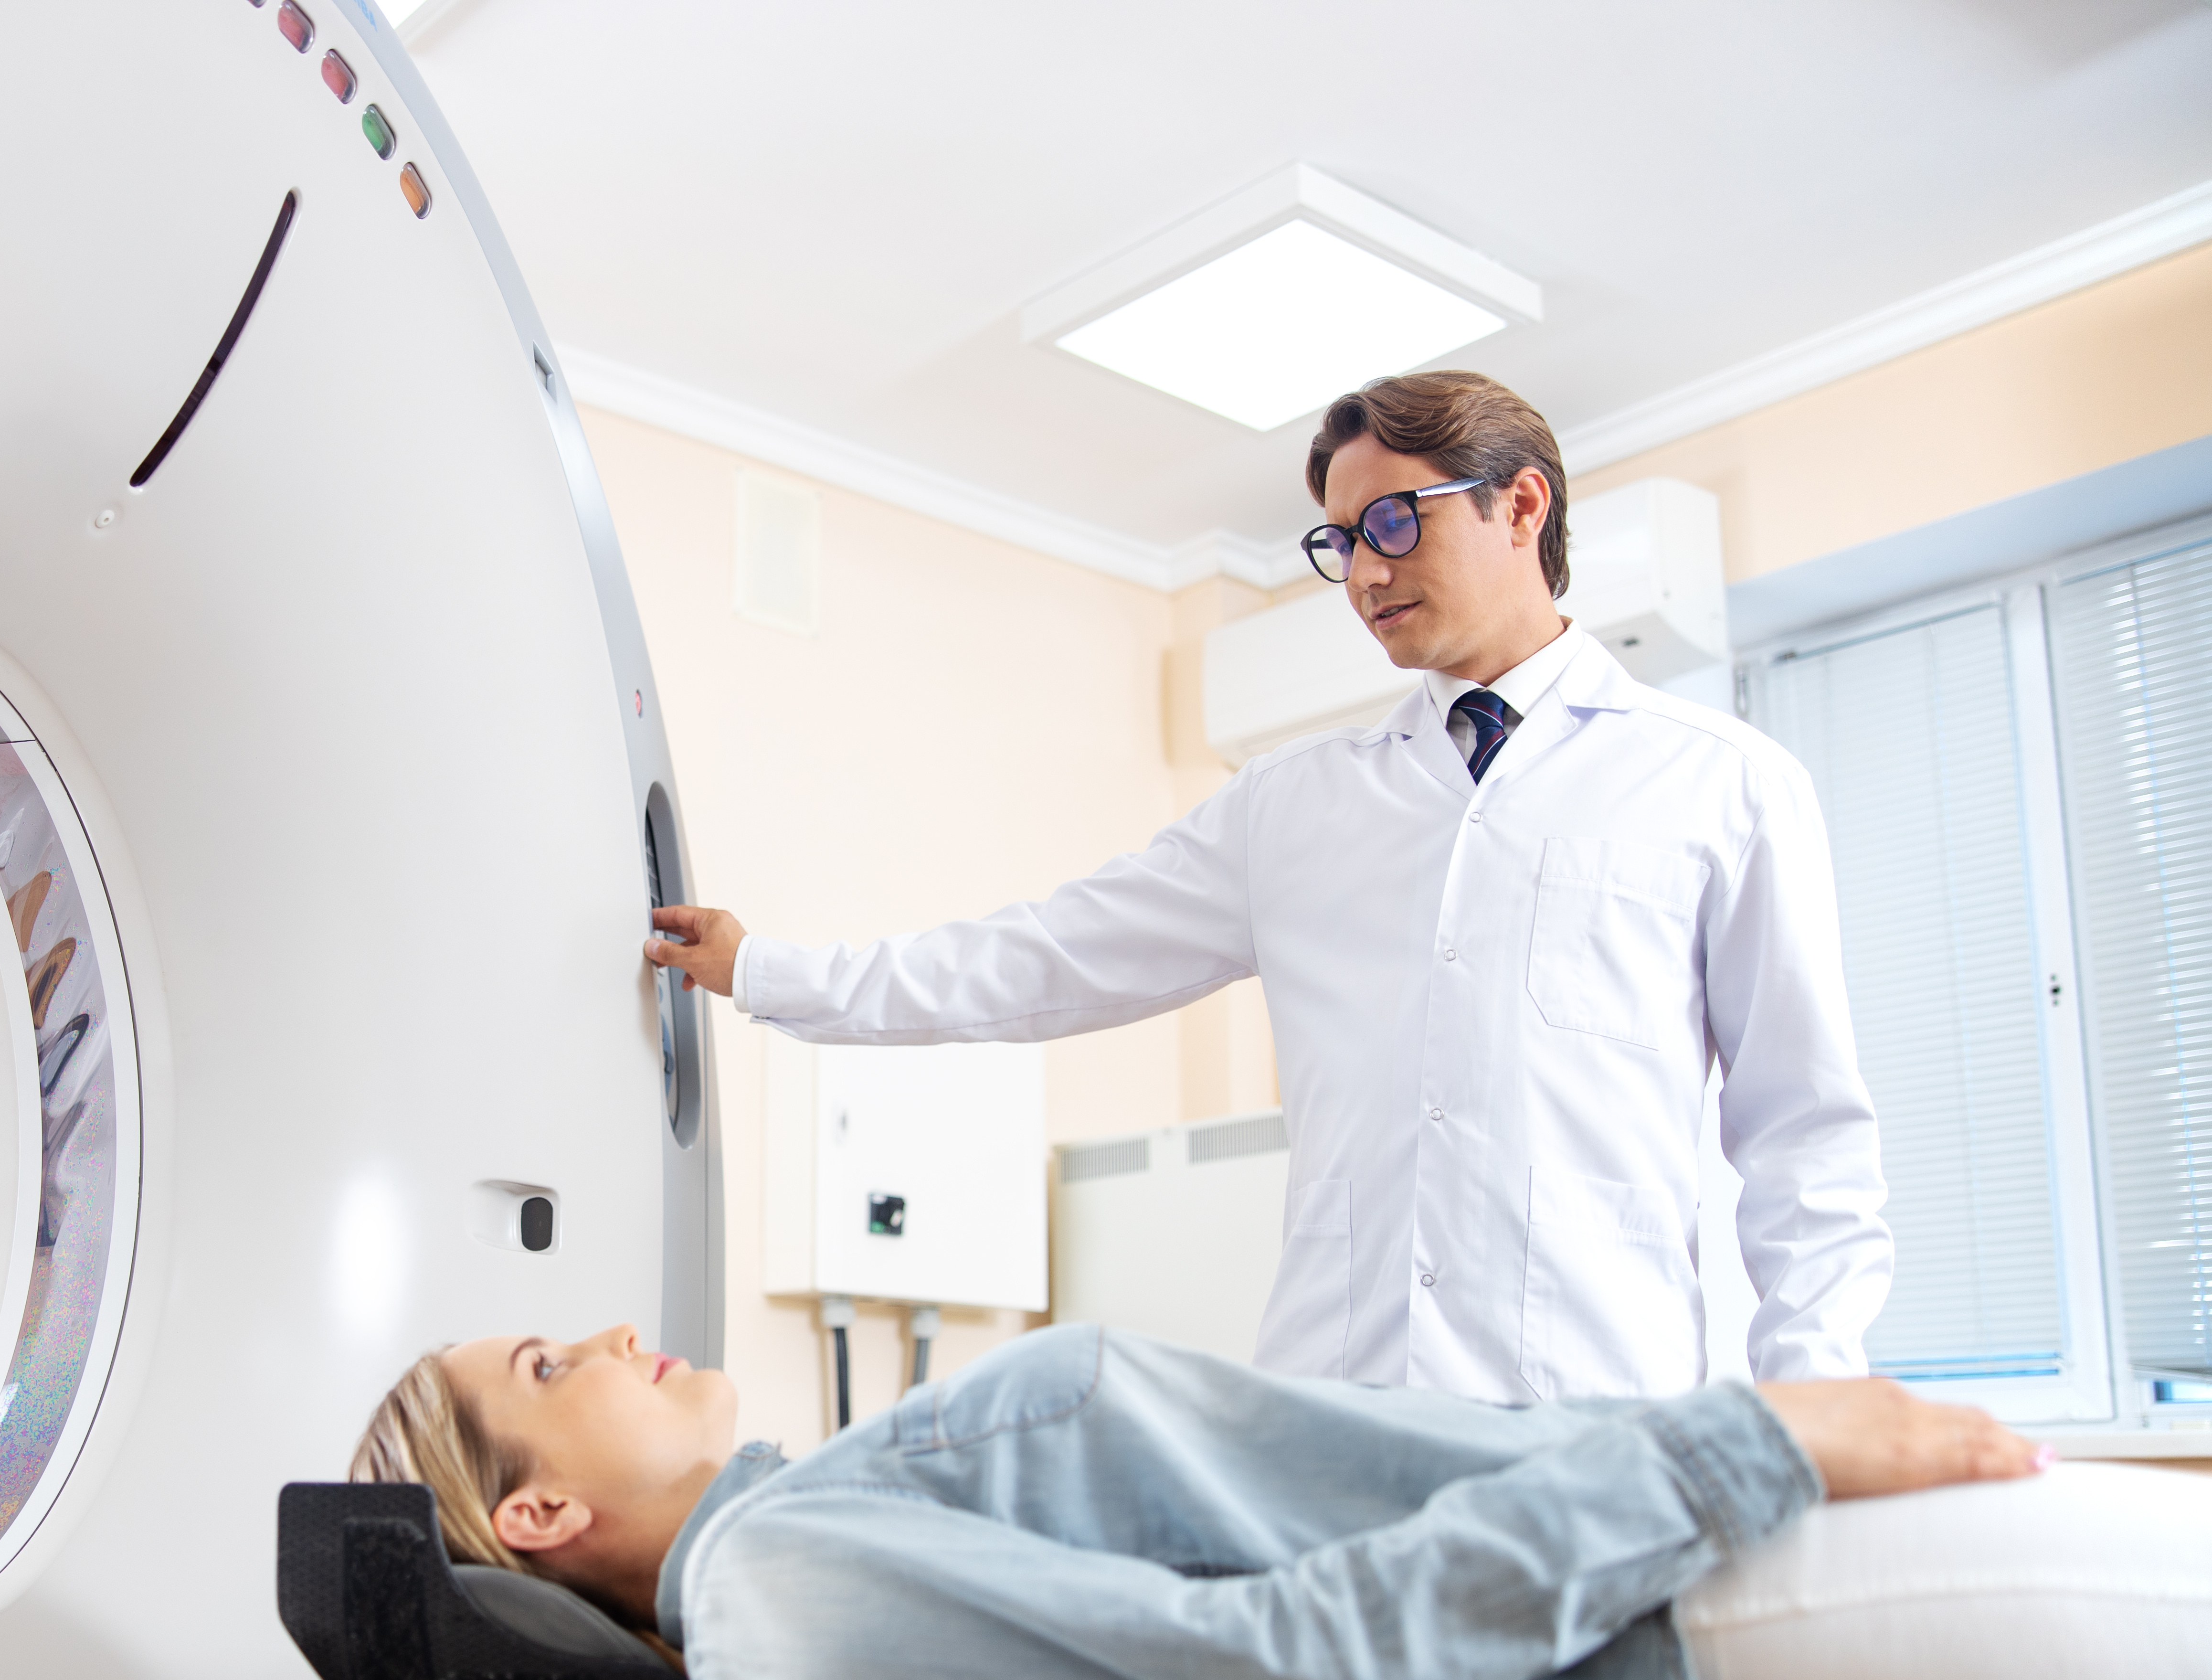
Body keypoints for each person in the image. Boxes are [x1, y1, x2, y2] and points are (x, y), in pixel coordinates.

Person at [645, 371, 1887, 1404]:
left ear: (1522, 507)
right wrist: (764, 971)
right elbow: (1043, 958)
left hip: (1601, 1416)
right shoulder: (1299, 809)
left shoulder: (1722, 786)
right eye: (1339, 544)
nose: (1360, 574)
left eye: (1394, 524)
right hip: (1334, 1415)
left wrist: (1811, 1411)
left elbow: (1807, 1140)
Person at [350, 1321, 2212, 1680]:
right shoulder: (782, 1596)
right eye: (545, 1363)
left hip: (1691, 1527)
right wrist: (1745, 1442)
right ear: (535, 1514)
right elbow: (1279, 1669)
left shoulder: (809, 1509)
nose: (601, 1331)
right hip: (1695, 1596)